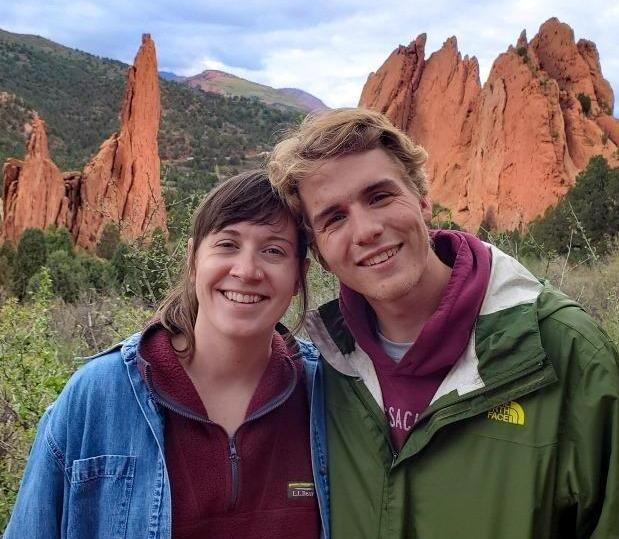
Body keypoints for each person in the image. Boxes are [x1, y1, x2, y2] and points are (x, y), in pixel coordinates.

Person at [268, 108, 619, 539]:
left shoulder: (566, 352)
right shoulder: (322, 367)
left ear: (422, 199)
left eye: (379, 196)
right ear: (319, 251)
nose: (366, 230)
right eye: (334, 218)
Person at [4, 169, 325, 539]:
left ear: (299, 274)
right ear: (192, 260)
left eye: (273, 250)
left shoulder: (325, 397)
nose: (247, 270)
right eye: (227, 245)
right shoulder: (97, 396)